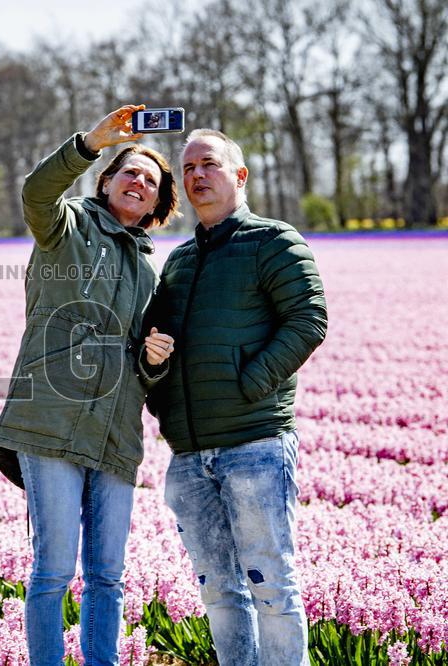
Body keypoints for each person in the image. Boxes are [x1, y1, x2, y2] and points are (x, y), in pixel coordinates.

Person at [0, 104, 179, 666]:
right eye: (130, 171)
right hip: (49, 423)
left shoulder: (150, 271)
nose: (139, 182)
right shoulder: (66, 228)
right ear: (108, 179)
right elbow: (35, 194)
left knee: (107, 576)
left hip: (116, 437)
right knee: (52, 570)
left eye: (151, 180)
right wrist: (91, 142)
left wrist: (154, 359)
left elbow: (147, 366)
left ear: (158, 203)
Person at [142, 129, 328, 665]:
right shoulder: (177, 262)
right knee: (220, 594)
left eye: (210, 164)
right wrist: (162, 399)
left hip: (255, 444)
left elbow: (308, 320)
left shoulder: (274, 241)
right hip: (188, 454)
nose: (197, 176)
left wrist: (251, 384)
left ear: (239, 176)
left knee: (272, 585)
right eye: (188, 169)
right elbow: (161, 347)